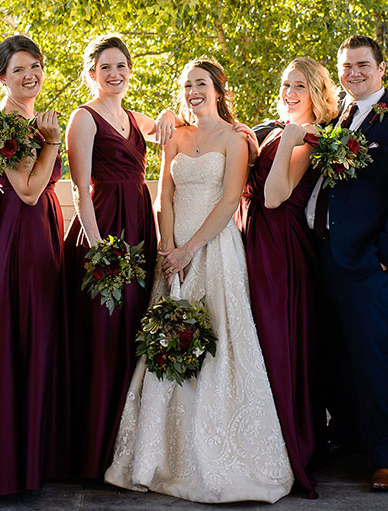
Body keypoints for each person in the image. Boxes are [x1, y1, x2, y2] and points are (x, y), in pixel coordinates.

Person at [105, 57, 293, 504]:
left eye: (201, 83)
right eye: (187, 84)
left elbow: (231, 199)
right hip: (173, 252)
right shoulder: (175, 135)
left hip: (215, 250)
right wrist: (169, 248)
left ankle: (218, 454)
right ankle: (159, 455)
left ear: (218, 88)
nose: (193, 91)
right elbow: (162, 194)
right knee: (169, 343)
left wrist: (191, 250)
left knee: (218, 344)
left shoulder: (235, 138)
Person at [307, 35, 388, 491]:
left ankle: (387, 455)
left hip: (368, 262)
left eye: (362, 65)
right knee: (334, 352)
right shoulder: (335, 117)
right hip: (322, 255)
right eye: (345, 67)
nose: (353, 73)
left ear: (382, 69)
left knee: (372, 356)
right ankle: (348, 436)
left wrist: (384, 257)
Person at [0, 35, 69, 495]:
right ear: (2, 77)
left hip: (37, 232)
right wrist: (51, 144)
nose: (31, 76)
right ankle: (0, 464)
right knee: (12, 338)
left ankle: (29, 458)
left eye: (36, 67)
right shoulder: (9, 122)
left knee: (34, 336)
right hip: (16, 237)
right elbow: (27, 190)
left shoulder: (29, 117)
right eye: (19, 69)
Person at [64, 34, 174, 478]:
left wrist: (168, 113)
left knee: (132, 331)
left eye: (122, 66)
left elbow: (176, 124)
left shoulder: (131, 115)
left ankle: (128, 448)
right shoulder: (84, 118)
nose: (115, 74)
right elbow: (78, 189)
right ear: (91, 74)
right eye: (106, 67)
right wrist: (97, 249)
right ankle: (94, 453)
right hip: (105, 231)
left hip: (140, 228)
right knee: (103, 337)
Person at [234, 57, 338, 498]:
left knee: (278, 341)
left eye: (299, 85)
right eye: (285, 84)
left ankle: (290, 446)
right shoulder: (275, 129)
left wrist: (292, 136)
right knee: (253, 338)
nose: (289, 92)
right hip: (253, 239)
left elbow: (275, 196)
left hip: (280, 246)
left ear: (315, 93)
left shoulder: (309, 136)